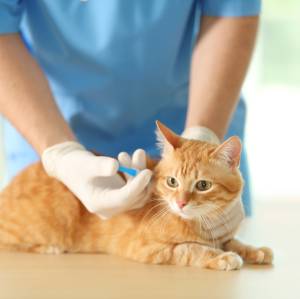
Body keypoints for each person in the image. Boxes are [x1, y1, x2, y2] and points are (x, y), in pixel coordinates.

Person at [0, 0, 260, 219]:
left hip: (194, 121)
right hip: (46, 123)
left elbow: (230, 11)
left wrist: (202, 137)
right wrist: (61, 154)